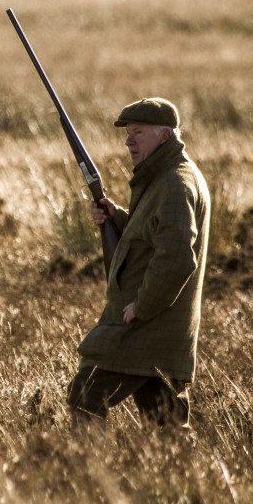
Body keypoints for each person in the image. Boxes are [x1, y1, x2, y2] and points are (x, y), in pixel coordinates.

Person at [67, 97, 210, 433]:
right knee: (167, 423)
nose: (128, 141)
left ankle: (85, 477)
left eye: (138, 133)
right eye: (128, 133)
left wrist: (141, 306)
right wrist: (115, 217)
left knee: (85, 395)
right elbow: (154, 235)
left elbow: (176, 259)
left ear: (164, 135)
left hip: (147, 327)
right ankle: (181, 482)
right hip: (159, 332)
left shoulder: (175, 183)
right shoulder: (164, 177)